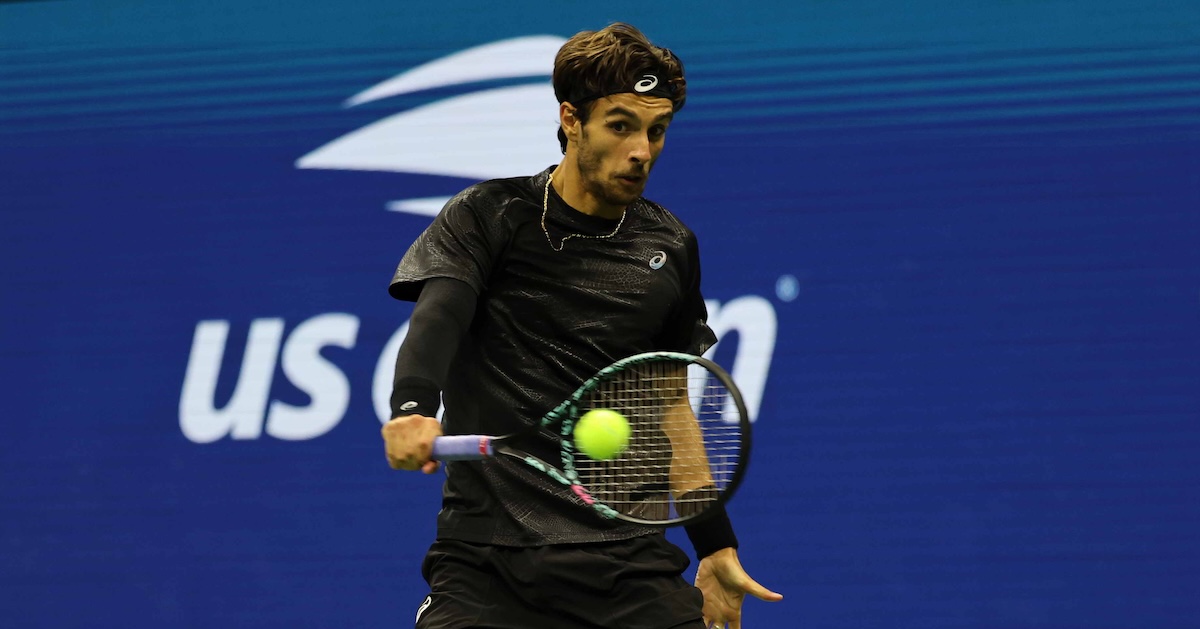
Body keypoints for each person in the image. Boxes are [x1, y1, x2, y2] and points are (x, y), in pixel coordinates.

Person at [381, 22, 783, 629]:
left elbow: (668, 402)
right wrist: (412, 407)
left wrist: (715, 545)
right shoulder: (490, 216)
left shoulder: (669, 245)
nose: (642, 150)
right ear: (572, 120)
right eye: (621, 126)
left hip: (628, 564)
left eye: (656, 131)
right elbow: (440, 315)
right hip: (489, 564)